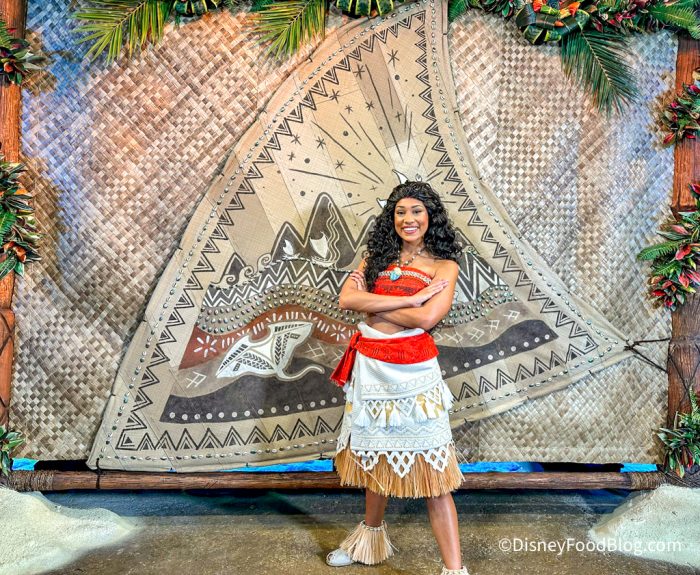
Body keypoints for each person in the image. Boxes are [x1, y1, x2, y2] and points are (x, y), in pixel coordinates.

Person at [326, 181, 470, 575]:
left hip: (414, 372)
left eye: (416, 211)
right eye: (400, 212)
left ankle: (454, 569)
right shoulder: (374, 259)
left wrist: (374, 306)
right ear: (392, 218)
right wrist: (408, 298)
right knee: (376, 457)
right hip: (371, 368)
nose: (408, 219)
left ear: (430, 216)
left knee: (435, 474)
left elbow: (427, 318)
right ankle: (368, 541)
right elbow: (346, 300)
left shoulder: (444, 266)